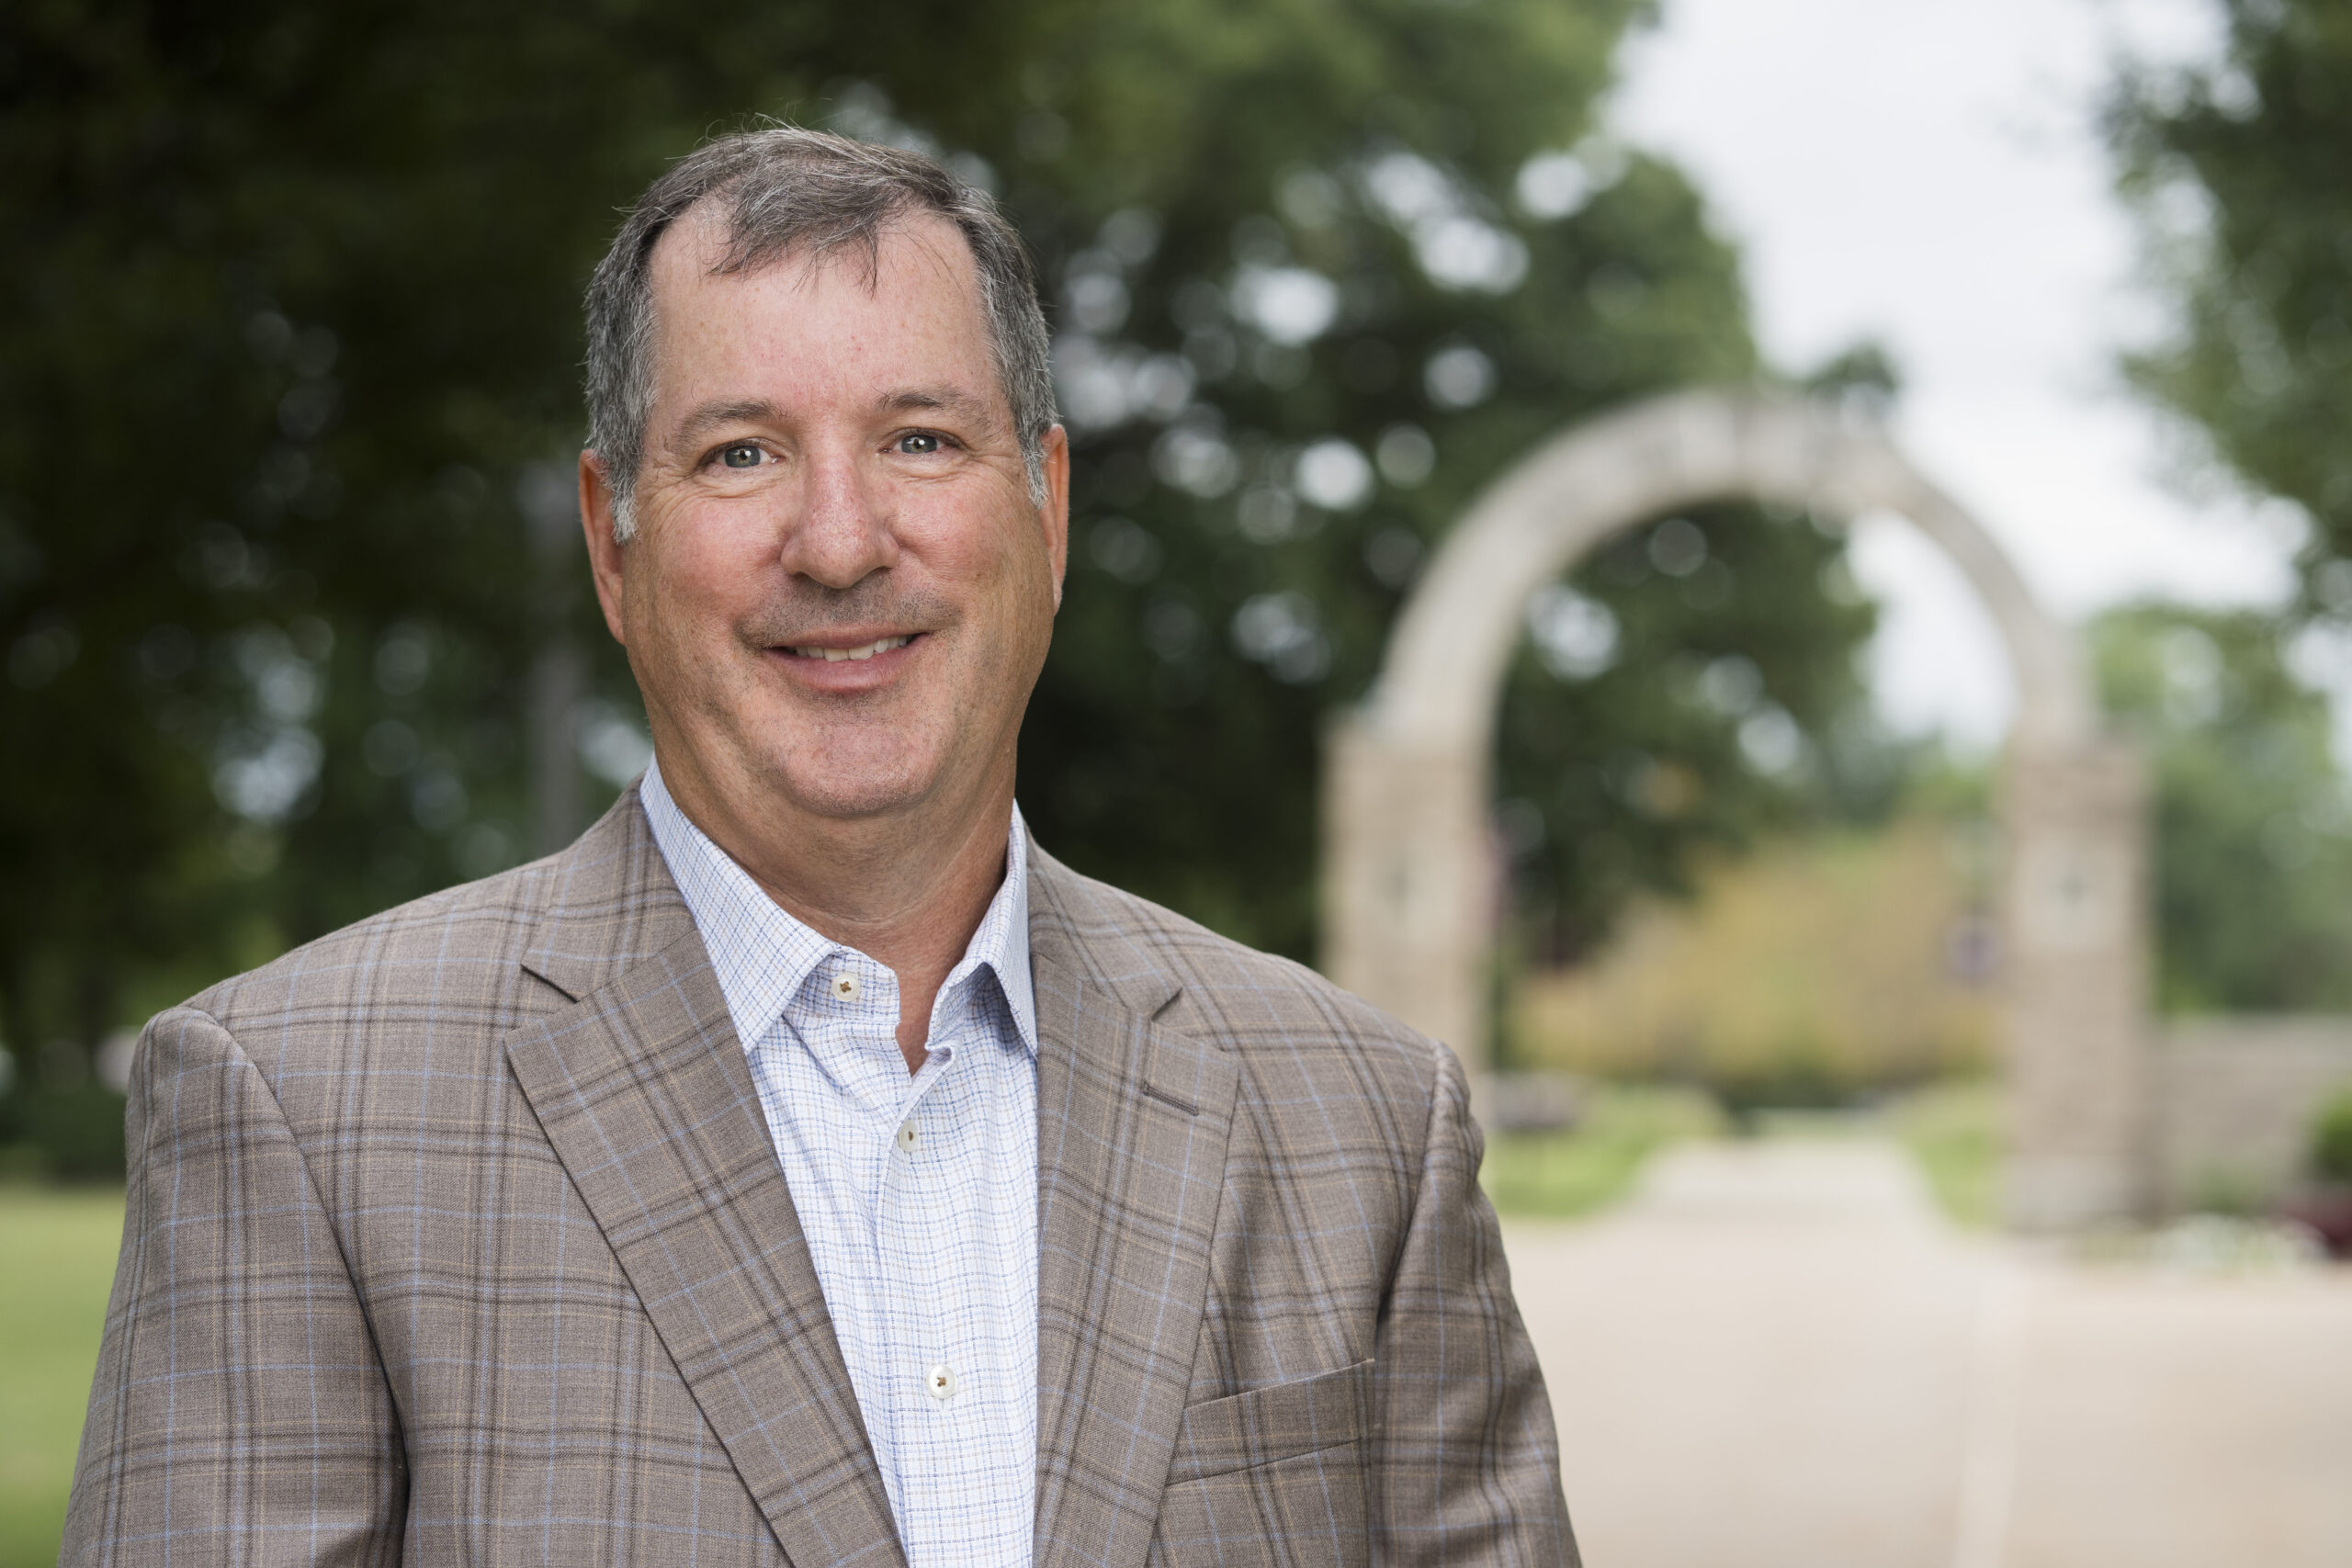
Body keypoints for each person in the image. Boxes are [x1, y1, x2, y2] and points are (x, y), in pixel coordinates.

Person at [63, 127, 1575, 1567]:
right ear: (612, 541)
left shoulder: (1363, 1125)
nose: (841, 542)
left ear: (1048, 511)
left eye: (920, 439)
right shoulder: (304, 1116)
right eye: (740, 455)